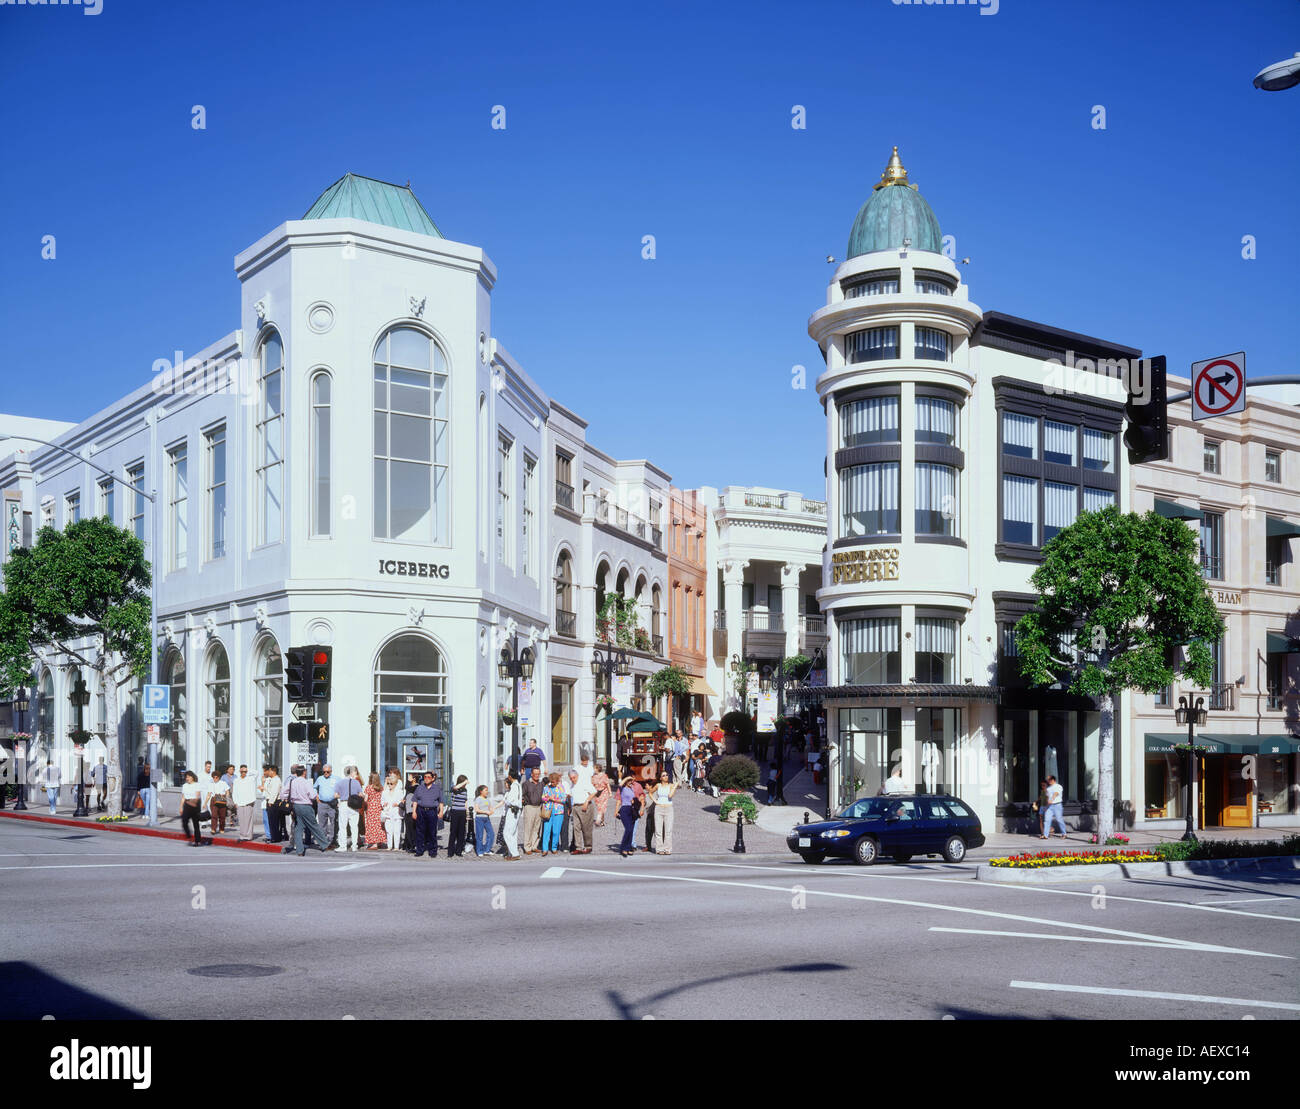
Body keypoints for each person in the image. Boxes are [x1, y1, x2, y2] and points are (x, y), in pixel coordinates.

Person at [279, 765, 330, 856]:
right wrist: (316, 795)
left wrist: (288, 798)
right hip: (306, 805)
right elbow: (312, 795)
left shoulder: (292, 782)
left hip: (296, 806)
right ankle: (325, 845)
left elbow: (283, 793)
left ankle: (299, 850)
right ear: (304, 772)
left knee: (299, 828)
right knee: (314, 825)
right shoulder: (306, 783)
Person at [410, 770, 445, 858]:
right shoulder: (420, 788)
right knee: (420, 831)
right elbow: (415, 800)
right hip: (420, 811)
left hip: (432, 811)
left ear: (433, 778)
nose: (426, 779)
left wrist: (441, 811)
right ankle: (419, 850)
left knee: (432, 832)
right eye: (425, 777)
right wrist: (414, 812)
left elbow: (441, 801)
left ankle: (432, 851)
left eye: (429, 777)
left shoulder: (437, 788)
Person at [569, 761, 596, 854]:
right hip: (576, 807)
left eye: (574, 777)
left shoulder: (584, 782)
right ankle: (578, 847)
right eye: (571, 778)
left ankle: (588, 846)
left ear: (577, 776)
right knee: (576, 827)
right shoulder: (572, 785)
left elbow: (594, 792)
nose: (573, 779)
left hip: (585, 806)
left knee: (586, 827)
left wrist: (587, 801)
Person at [337, 766, 364, 852]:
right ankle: (354, 846)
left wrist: (342, 795)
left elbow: (336, 795)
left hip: (344, 804)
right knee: (354, 826)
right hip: (354, 805)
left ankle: (343, 846)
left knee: (342, 826)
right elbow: (360, 794)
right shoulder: (356, 782)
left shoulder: (340, 782)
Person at [313, 764, 340, 850]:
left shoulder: (337, 779)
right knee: (322, 824)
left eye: (327, 772)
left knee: (334, 824)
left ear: (331, 771)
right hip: (322, 804)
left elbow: (342, 788)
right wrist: (317, 798)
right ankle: (323, 842)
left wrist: (339, 799)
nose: (326, 773)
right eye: (324, 772)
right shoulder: (320, 779)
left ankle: (332, 841)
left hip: (333, 804)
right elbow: (314, 788)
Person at [652, 771, 678, 854]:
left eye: (667, 775)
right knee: (658, 830)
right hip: (659, 808)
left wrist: (675, 786)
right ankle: (659, 849)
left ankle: (667, 849)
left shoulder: (671, 786)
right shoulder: (658, 785)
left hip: (668, 808)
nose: (666, 776)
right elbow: (650, 792)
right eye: (663, 775)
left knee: (668, 830)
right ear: (660, 778)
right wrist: (655, 801)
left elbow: (670, 796)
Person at [540, 773, 566, 856]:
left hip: (558, 812)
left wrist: (553, 799)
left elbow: (563, 800)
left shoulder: (561, 787)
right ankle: (545, 849)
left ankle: (554, 847)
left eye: (554, 782)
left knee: (556, 831)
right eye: (551, 782)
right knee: (546, 830)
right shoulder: (546, 788)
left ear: (558, 781)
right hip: (548, 811)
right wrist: (547, 799)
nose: (553, 783)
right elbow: (543, 798)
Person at [521, 767, 545, 855]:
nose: (537, 776)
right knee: (528, 827)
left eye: (538, 774)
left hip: (539, 807)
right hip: (529, 807)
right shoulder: (526, 784)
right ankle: (527, 847)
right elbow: (522, 795)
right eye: (535, 774)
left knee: (537, 828)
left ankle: (534, 846)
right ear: (531, 774)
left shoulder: (541, 784)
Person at [231, 764, 258, 841]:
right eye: (242, 771)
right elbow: (234, 792)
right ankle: (242, 835)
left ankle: (248, 836)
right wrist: (235, 802)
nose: (244, 773)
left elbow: (256, 772)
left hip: (248, 802)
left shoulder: (251, 778)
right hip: (239, 802)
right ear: (239, 771)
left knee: (248, 820)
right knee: (241, 820)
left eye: (245, 771)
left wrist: (247, 769)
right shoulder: (236, 780)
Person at [179, 770, 206, 846]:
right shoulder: (185, 786)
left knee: (195, 823)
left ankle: (197, 841)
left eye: (189, 777)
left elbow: (197, 795)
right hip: (187, 804)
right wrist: (181, 807)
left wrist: (194, 803)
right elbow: (183, 797)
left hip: (195, 804)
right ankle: (189, 836)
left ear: (192, 777)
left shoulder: (197, 785)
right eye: (186, 777)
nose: (187, 778)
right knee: (184, 821)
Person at [447, 775, 470, 858]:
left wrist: (467, 814)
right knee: (453, 832)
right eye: (464, 782)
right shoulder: (454, 788)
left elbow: (465, 802)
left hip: (462, 812)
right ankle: (450, 852)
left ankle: (459, 851)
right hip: (455, 812)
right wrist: (464, 781)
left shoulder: (465, 790)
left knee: (461, 832)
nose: (465, 785)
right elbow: (455, 788)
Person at [616, 776, 640, 857]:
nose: (630, 782)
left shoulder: (632, 789)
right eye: (628, 781)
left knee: (631, 829)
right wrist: (628, 778)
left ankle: (628, 847)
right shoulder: (622, 788)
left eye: (631, 781)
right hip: (624, 809)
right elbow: (620, 783)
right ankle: (623, 847)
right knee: (628, 828)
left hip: (632, 810)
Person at [501, 770, 522, 859]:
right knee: (513, 832)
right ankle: (512, 853)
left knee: (507, 833)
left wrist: (505, 801)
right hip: (516, 810)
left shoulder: (514, 786)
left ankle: (514, 854)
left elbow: (511, 800)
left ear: (510, 776)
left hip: (513, 809)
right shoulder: (518, 785)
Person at [261, 765, 284, 843]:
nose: (269, 772)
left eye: (270, 771)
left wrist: (271, 802)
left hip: (273, 802)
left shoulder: (276, 780)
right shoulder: (272, 779)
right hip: (270, 801)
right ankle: (273, 836)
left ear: (273, 771)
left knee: (274, 821)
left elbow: (274, 792)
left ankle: (275, 837)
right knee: (271, 821)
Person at [367, 772, 391, 850]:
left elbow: (366, 799)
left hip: (371, 808)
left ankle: (374, 844)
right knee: (379, 825)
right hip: (379, 808)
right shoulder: (381, 788)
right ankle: (379, 842)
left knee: (372, 825)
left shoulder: (369, 787)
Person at [472, 785, 497, 857]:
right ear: (481, 791)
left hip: (487, 819)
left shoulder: (487, 799)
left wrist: (492, 811)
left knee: (491, 833)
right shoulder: (478, 799)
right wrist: (486, 812)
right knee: (480, 835)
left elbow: (490, 808)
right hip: (479, 819)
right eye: (486, 790)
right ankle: (479, 851)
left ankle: (487, 850)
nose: (487, 792)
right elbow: (476, 810)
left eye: (487, 790)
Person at [208, 770, 230, 835]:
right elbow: (209, 794)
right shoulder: (211, 784)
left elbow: (227, 791)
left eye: (216, 777)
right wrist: (205, 803)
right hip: (214, 800)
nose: (215, 779)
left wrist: (226, 797)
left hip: (222, 799)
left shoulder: (223, 783)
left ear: (219, 777)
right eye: (213, 777)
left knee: (222, 816)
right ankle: (213, 829)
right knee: (214, 815)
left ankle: (222, 828)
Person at [402, 773, 419, 853]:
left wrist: (408, 781)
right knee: (408, 829)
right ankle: (407, 845)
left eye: (410, 777)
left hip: (412, 811)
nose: (408, 779)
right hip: (407, 810)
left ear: (414, 779)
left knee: (412, 830)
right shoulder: (411, 788)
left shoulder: (416, 787)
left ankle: (413, 845)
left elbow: (407, 787)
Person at [591, 762, 611, 828]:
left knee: (602, 807)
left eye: (594, 768)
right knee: (599, 807)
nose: (593, 770)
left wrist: (610, 792)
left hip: (604, 793)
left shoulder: (604, 776)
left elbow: (607, 784)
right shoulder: (593, 776)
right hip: (597, 794)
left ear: (597, 769)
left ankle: (598, 820)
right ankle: (602, 821)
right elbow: (592, 785)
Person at [136, 759, 156, 825]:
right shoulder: (151, 774)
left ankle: (145, 814)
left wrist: (138, 790)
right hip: (148, 789)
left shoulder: (141, 774)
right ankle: (146, 814)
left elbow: (138, 783)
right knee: (147, 803)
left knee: (145, 802)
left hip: (142, 790)